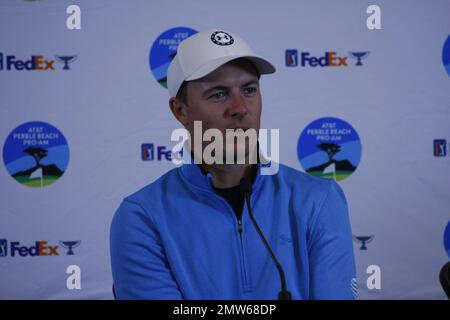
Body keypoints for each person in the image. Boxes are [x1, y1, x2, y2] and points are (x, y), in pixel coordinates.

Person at [110, 28, 357, 300]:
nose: (240, 107)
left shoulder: (319, 200)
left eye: (249, 89)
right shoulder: (142, 217)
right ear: (180, 110)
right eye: (218, 94)